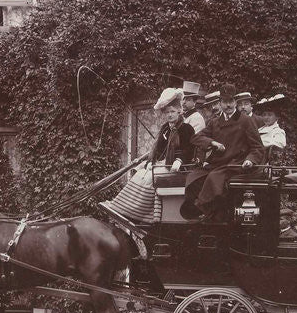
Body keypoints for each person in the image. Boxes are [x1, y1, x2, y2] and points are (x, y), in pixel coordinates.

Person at [100, 88, 194, 225]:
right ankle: (124, 207)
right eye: (167, 112)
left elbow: (189, 149)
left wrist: (180, 160)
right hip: (164, 164)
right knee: (141, 174)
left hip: (178, 168)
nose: (170, 115)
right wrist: (151, 161)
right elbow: (158, 148)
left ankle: (140, 213)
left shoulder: (186, 129)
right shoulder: (165, 129)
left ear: (179, 111)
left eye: (172, 112)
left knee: (150, 177)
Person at [184, 84, 264, 221]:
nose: (228, 105)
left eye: (231, 101)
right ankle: (210, 211)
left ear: (235, 102)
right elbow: (195, 138)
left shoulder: (245, 121)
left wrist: (250, 160)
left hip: (236, 164)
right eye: (225, 102)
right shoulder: (214, 122)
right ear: (220, 103)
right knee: (193, 177)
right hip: (218, 163)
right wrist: (212, 142)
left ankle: (209, 211)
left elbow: (257, 147)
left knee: (214, 178)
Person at [254, 94, 287, 163]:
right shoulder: (259, 130)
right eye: (264, 115)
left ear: (277, 117)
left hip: (264, 164)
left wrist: (259, 145)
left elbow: (279, 145)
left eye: (270, 115)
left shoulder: (278, 131)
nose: (266, 117)